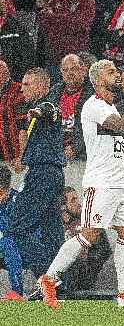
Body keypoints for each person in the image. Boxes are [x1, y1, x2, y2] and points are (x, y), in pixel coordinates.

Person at [38, 59, 124, 309]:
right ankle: (49, 278)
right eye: (112, 72)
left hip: (120, 181)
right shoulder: (93, 105)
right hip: (101, 182)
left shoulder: (111, 106)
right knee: (90, 235)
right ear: (98, 79)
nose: (118, 75)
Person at [5, 68, 65, 297]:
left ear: (41, 86)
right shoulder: (35, 113)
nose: (22, 88)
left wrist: (38, 111)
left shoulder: (48, 105)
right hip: (50, 174)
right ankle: (59, 287)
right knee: (52, 233)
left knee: (15, 227)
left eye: (28, 84)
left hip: (43, 176)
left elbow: (50, 111)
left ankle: (47, 277)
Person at [60, 186, 112, 293]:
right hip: (59, 280)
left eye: (78, 199)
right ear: (63, 206)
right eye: (73, 200)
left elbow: (105, 250)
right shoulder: (53, 225)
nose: (79, 203)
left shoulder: (89, 222)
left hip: (83, 280)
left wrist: (89, 266)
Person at [53, 54, 94, 161]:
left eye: (73, 69)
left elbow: (97, 128)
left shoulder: (94, 93)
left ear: (84, 70)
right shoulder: (54, 92)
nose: (69, 73)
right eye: (65, 70)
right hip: (57, 153)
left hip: (84, 156)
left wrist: (75, 148)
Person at [0, 164, 24, 301]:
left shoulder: (18, 201)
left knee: (7, 243)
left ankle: (17, 293)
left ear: (7, 188)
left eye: (0, 192)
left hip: (16, 246)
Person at [0, 60, 25, 163]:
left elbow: (23, 125)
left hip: (13, 155)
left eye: (2, 73)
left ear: (7, 74)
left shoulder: (19, 90)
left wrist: (21, 155)